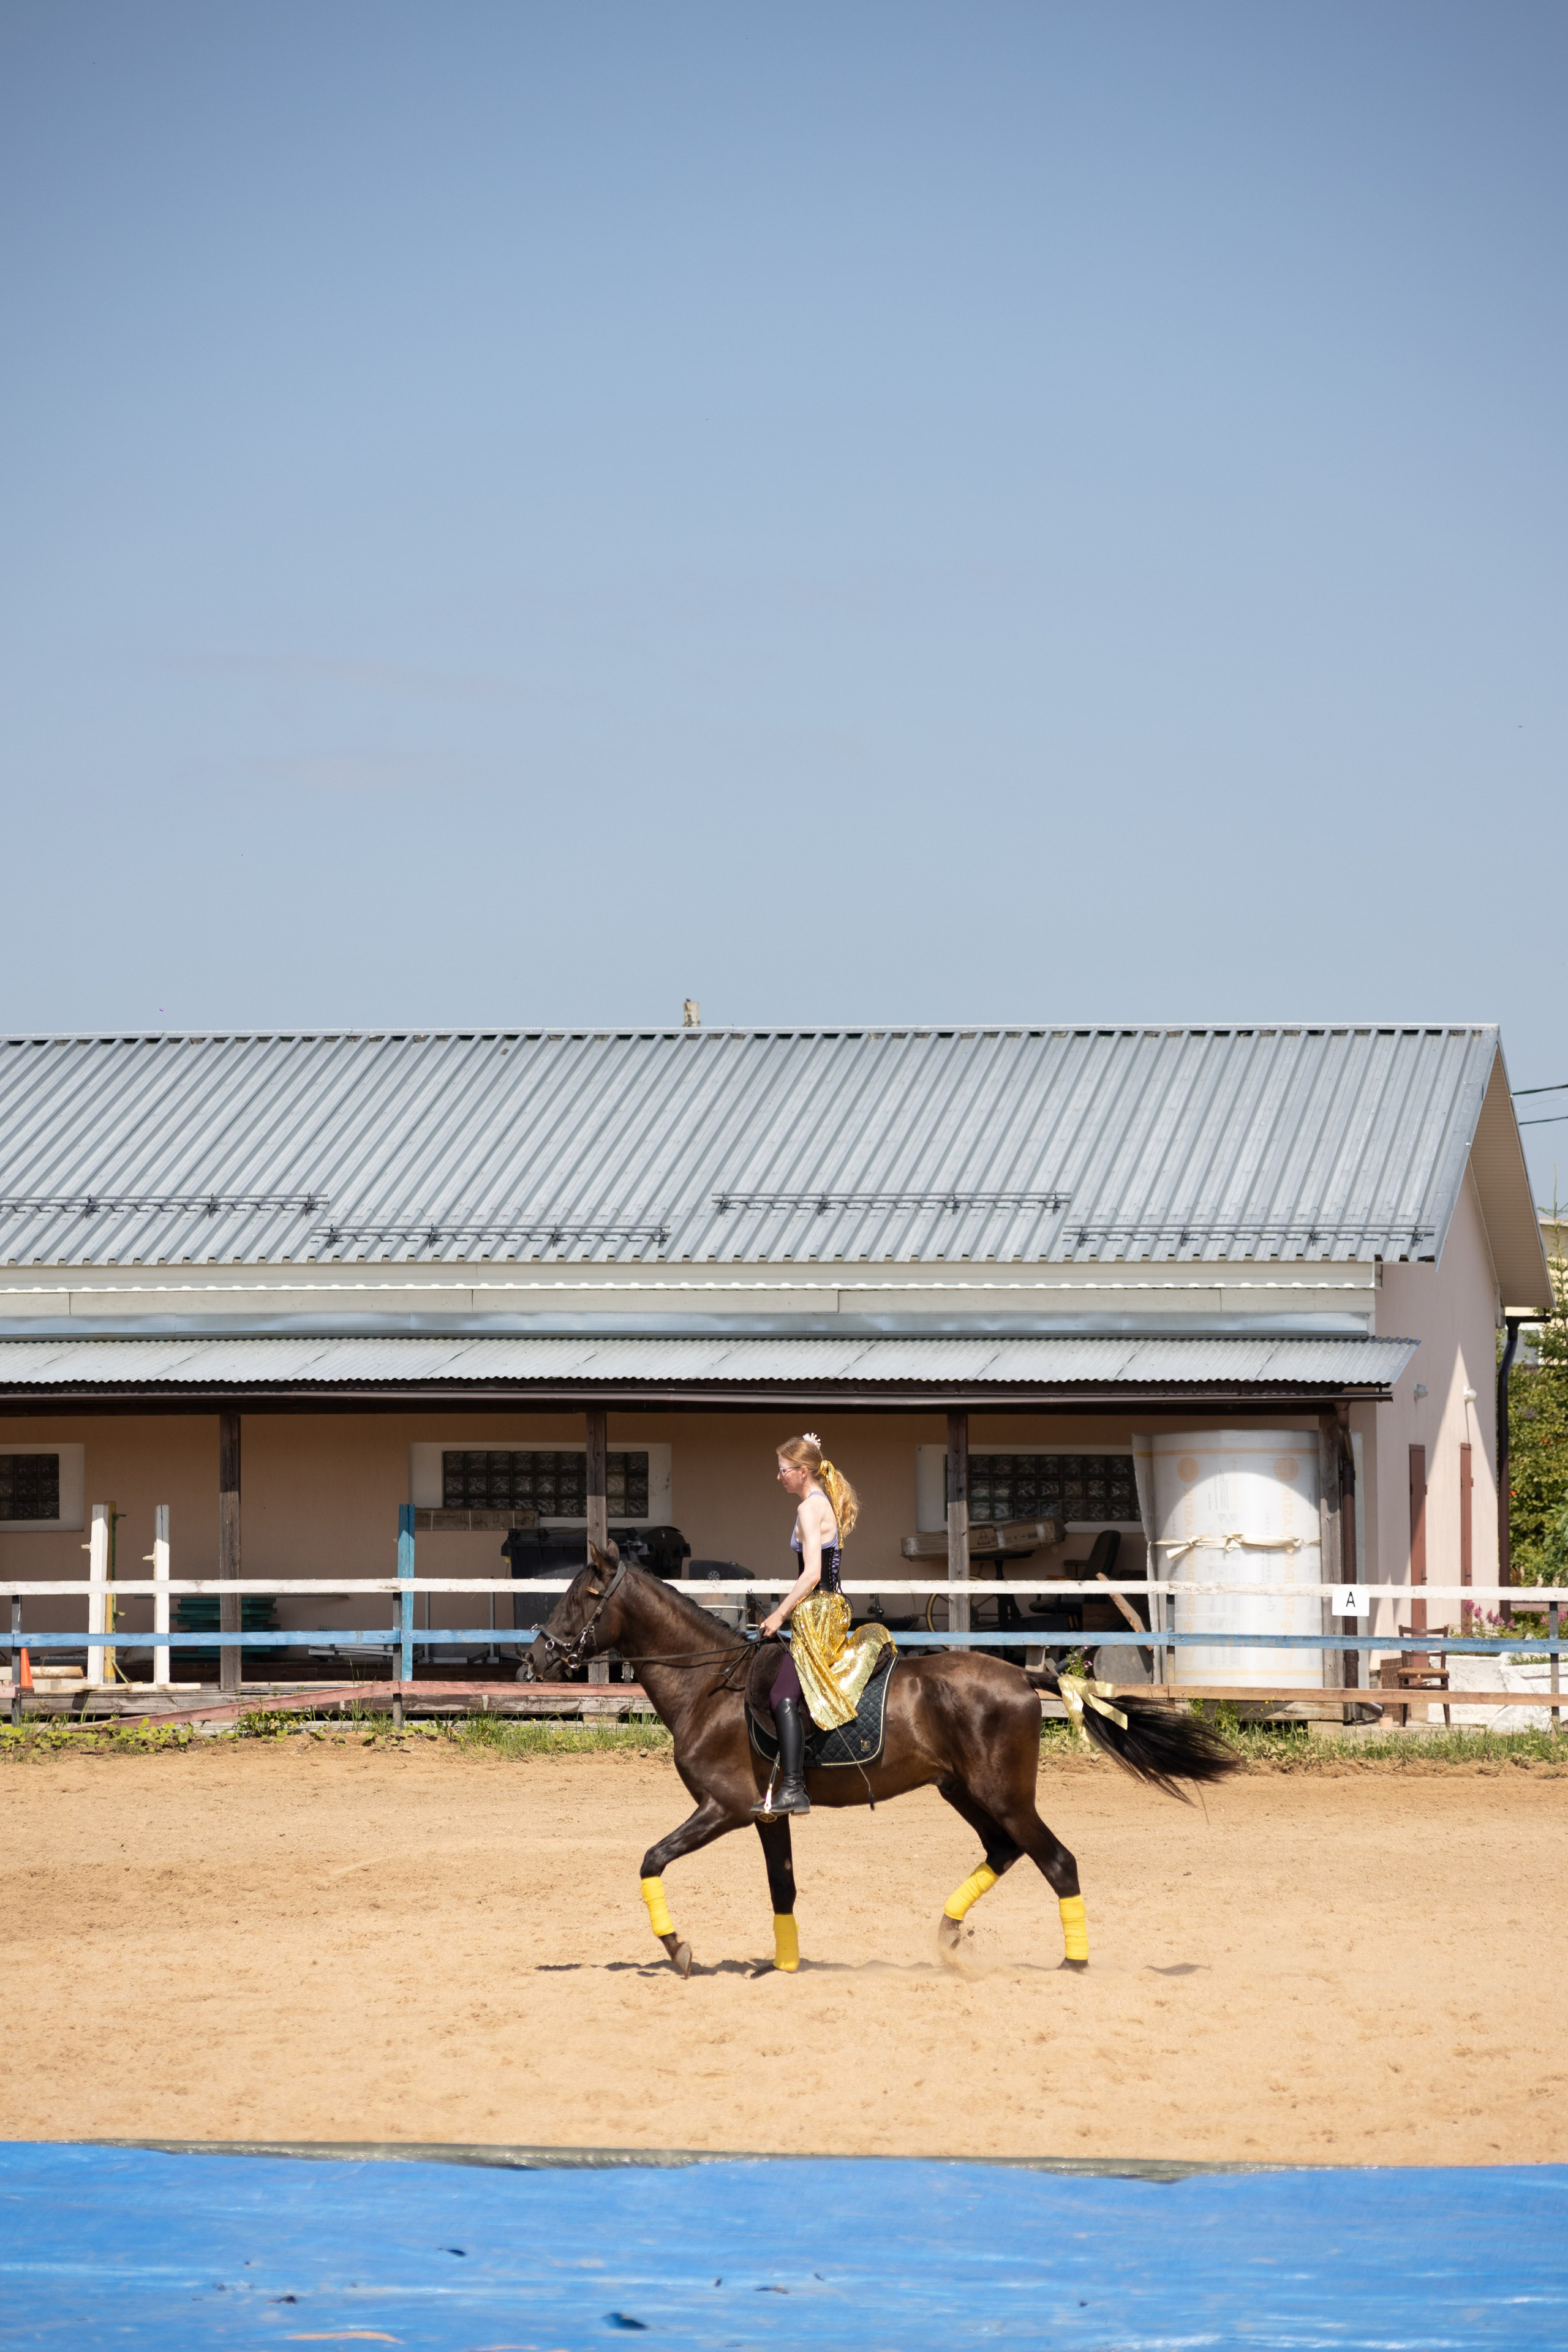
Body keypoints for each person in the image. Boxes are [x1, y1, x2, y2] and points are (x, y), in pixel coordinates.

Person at [752, 1433, 895, 1817]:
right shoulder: (822, 1502)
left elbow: (812, 1573)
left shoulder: (808, 1509)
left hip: (817, 1612)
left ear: (803, 1472)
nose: (778, 1477)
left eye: (783, 1471)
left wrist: (779, 1614)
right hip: (830, 1609)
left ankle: (794, 1788)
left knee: (782, 1695)